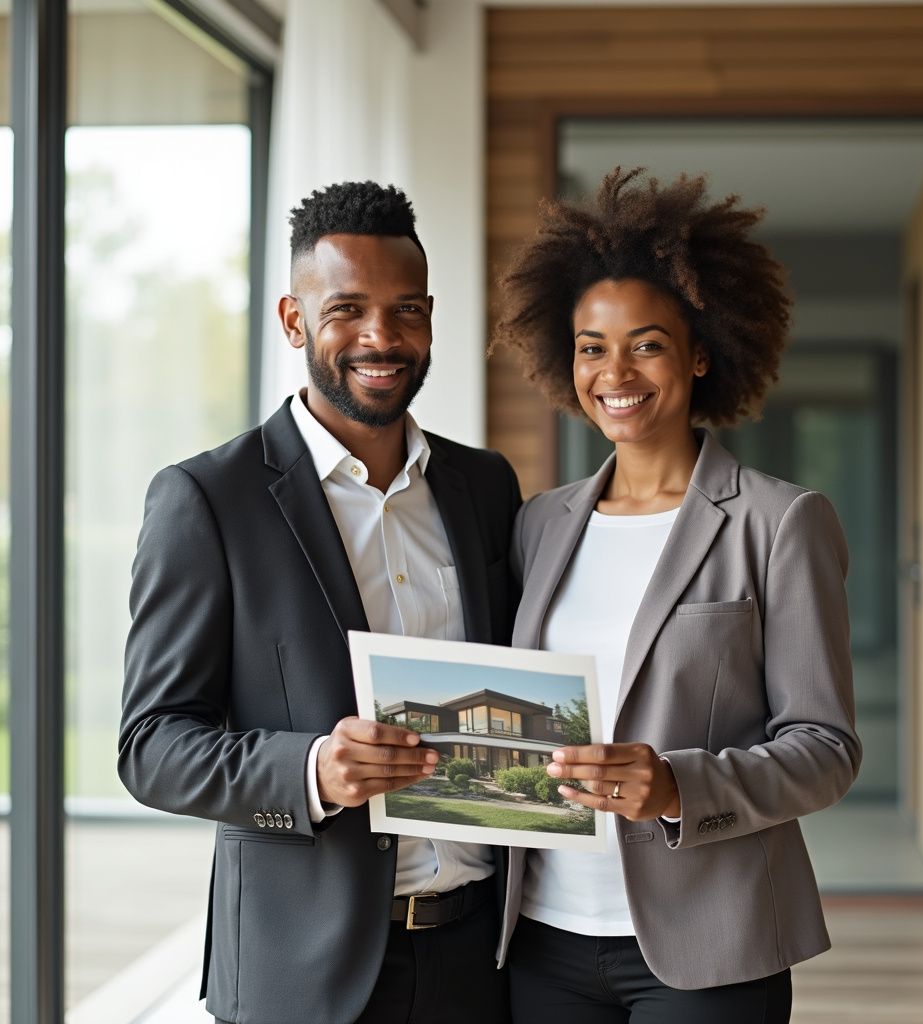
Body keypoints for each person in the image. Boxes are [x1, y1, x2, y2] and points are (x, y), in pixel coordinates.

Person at [119, 181, 520, 1024]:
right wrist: (311, 772)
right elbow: (151, 745)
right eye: (348, 309)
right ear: (295, 320)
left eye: (406, 310)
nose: (381, 337)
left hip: (480, 959)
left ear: (432, 317)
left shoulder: (484, 486)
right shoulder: (207, 498)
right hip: (301, 975)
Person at [489, 168, 862, 1024]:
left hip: (710, 943)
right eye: (591, 346)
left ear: (699, 353)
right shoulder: (540, 525)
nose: (615, 371)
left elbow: (826, 747)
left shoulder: (779, 522)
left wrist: (675, 788)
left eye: (647, 343)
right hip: (542, 934)